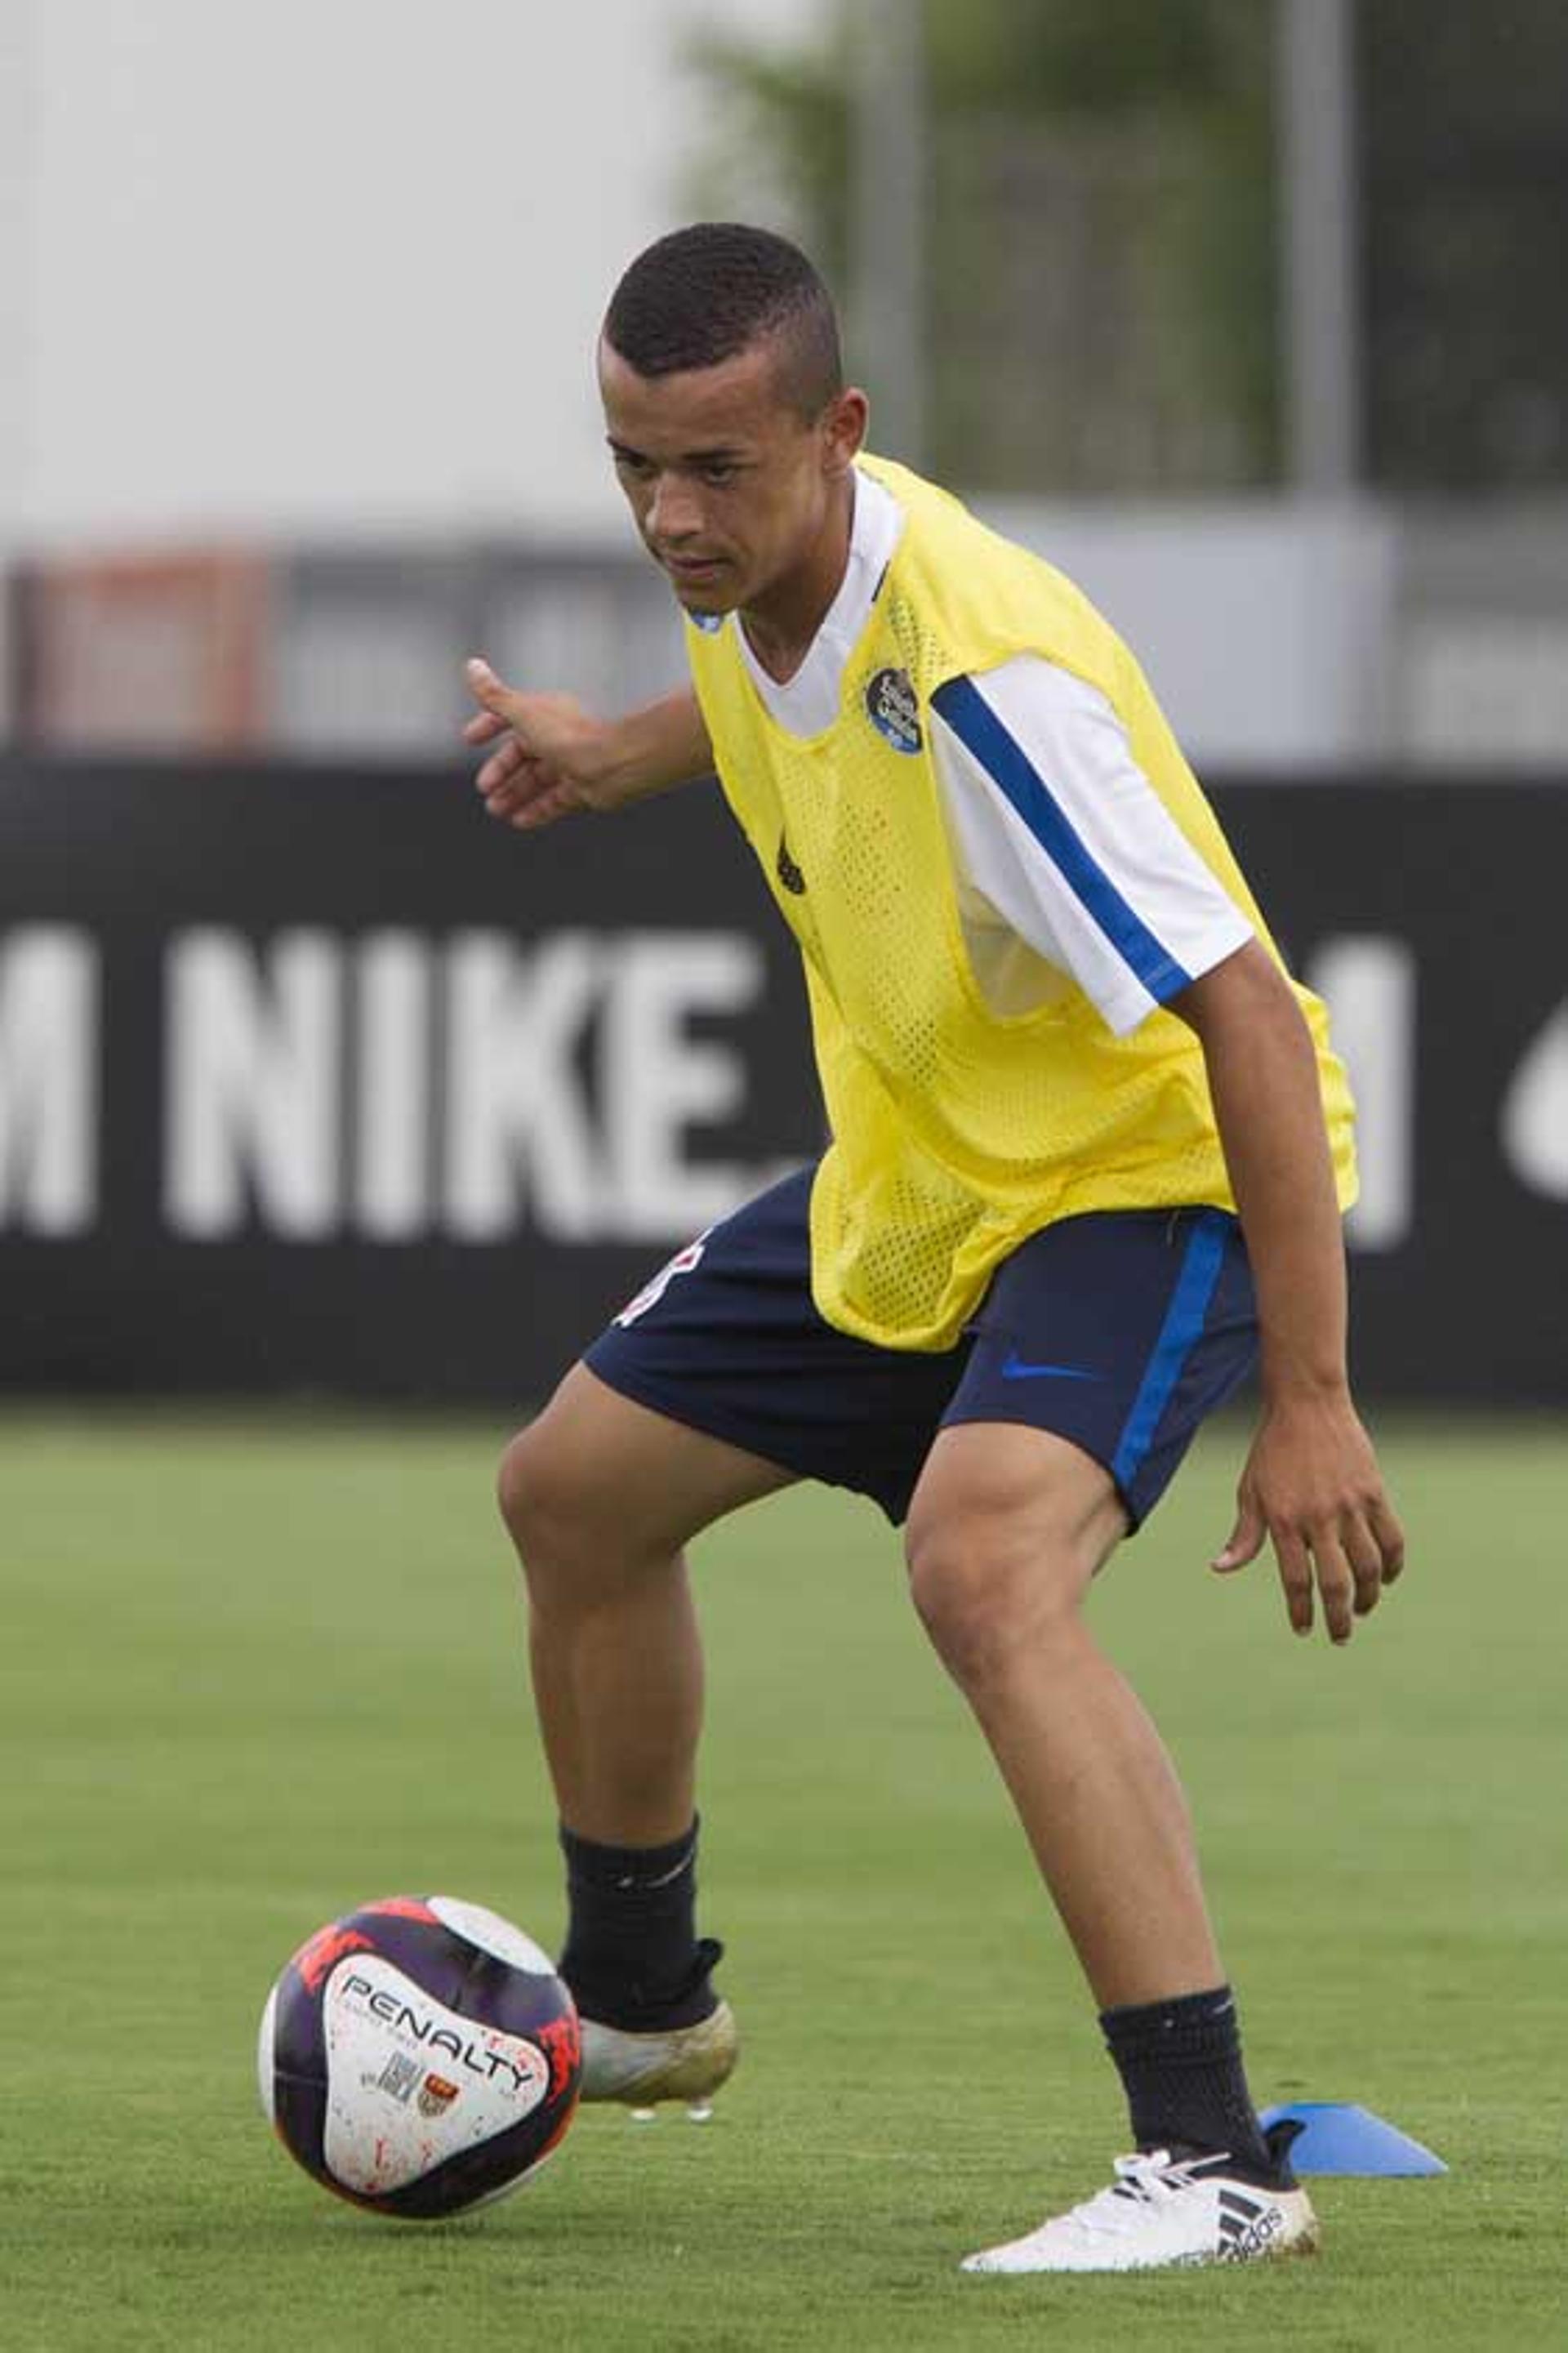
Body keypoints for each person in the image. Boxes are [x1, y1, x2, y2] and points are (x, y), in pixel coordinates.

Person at [461, 222, 1405, 2275]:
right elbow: (746, 676)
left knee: (978, 1565)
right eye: (634, 463)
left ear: (842, 433)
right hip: (927, 1169)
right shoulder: (744, 564)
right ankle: (640, 2007)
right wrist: (615, 752)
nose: (669, 514)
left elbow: (1247, 1010)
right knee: (573, 1494)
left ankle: (1216, 2167)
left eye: (715, 467)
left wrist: (1316, 1398)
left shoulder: (987, 675)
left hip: (1139, 1173)